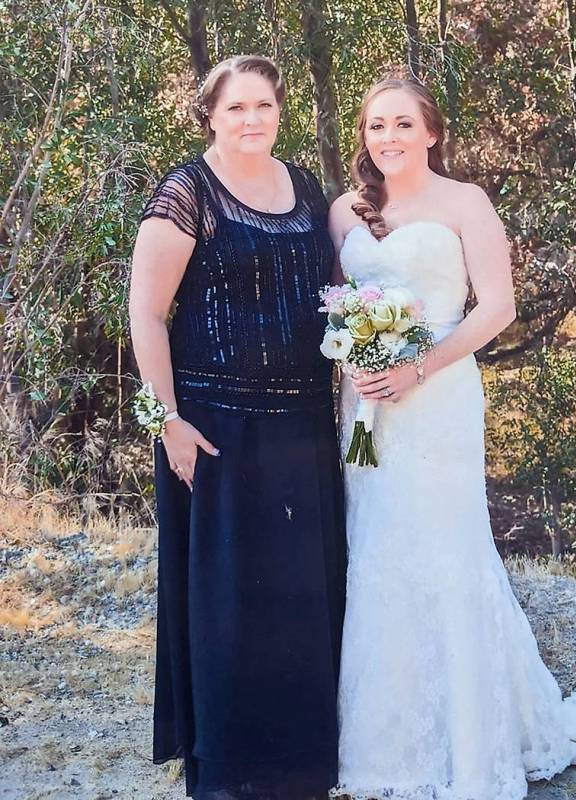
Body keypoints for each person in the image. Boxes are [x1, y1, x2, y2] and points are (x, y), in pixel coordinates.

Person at [327, 74, 576, 800]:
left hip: (437, 398)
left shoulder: (465, 202)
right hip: (365, 407)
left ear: (431, 132)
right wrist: (355, 364)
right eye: (376, 126)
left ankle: (472, 742)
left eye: (403, 124)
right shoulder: (346, 211)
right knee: (373, 550)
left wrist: (415, 367)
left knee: (443, 547)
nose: (389, 138)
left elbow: (494, 307)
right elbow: (336, 306)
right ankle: (385, 750)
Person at [129, 54, 346, 800]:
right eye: (234, 108)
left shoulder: (306, 187)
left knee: (299, 600)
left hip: (302, 426)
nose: (250, 119)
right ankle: (227, 772)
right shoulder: (185, 193)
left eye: (262, 106)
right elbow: (145, 315)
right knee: (229, 606)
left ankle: (302, 767)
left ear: (279, 111)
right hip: (215, 429)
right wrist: (167, 424)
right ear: (209, 116)